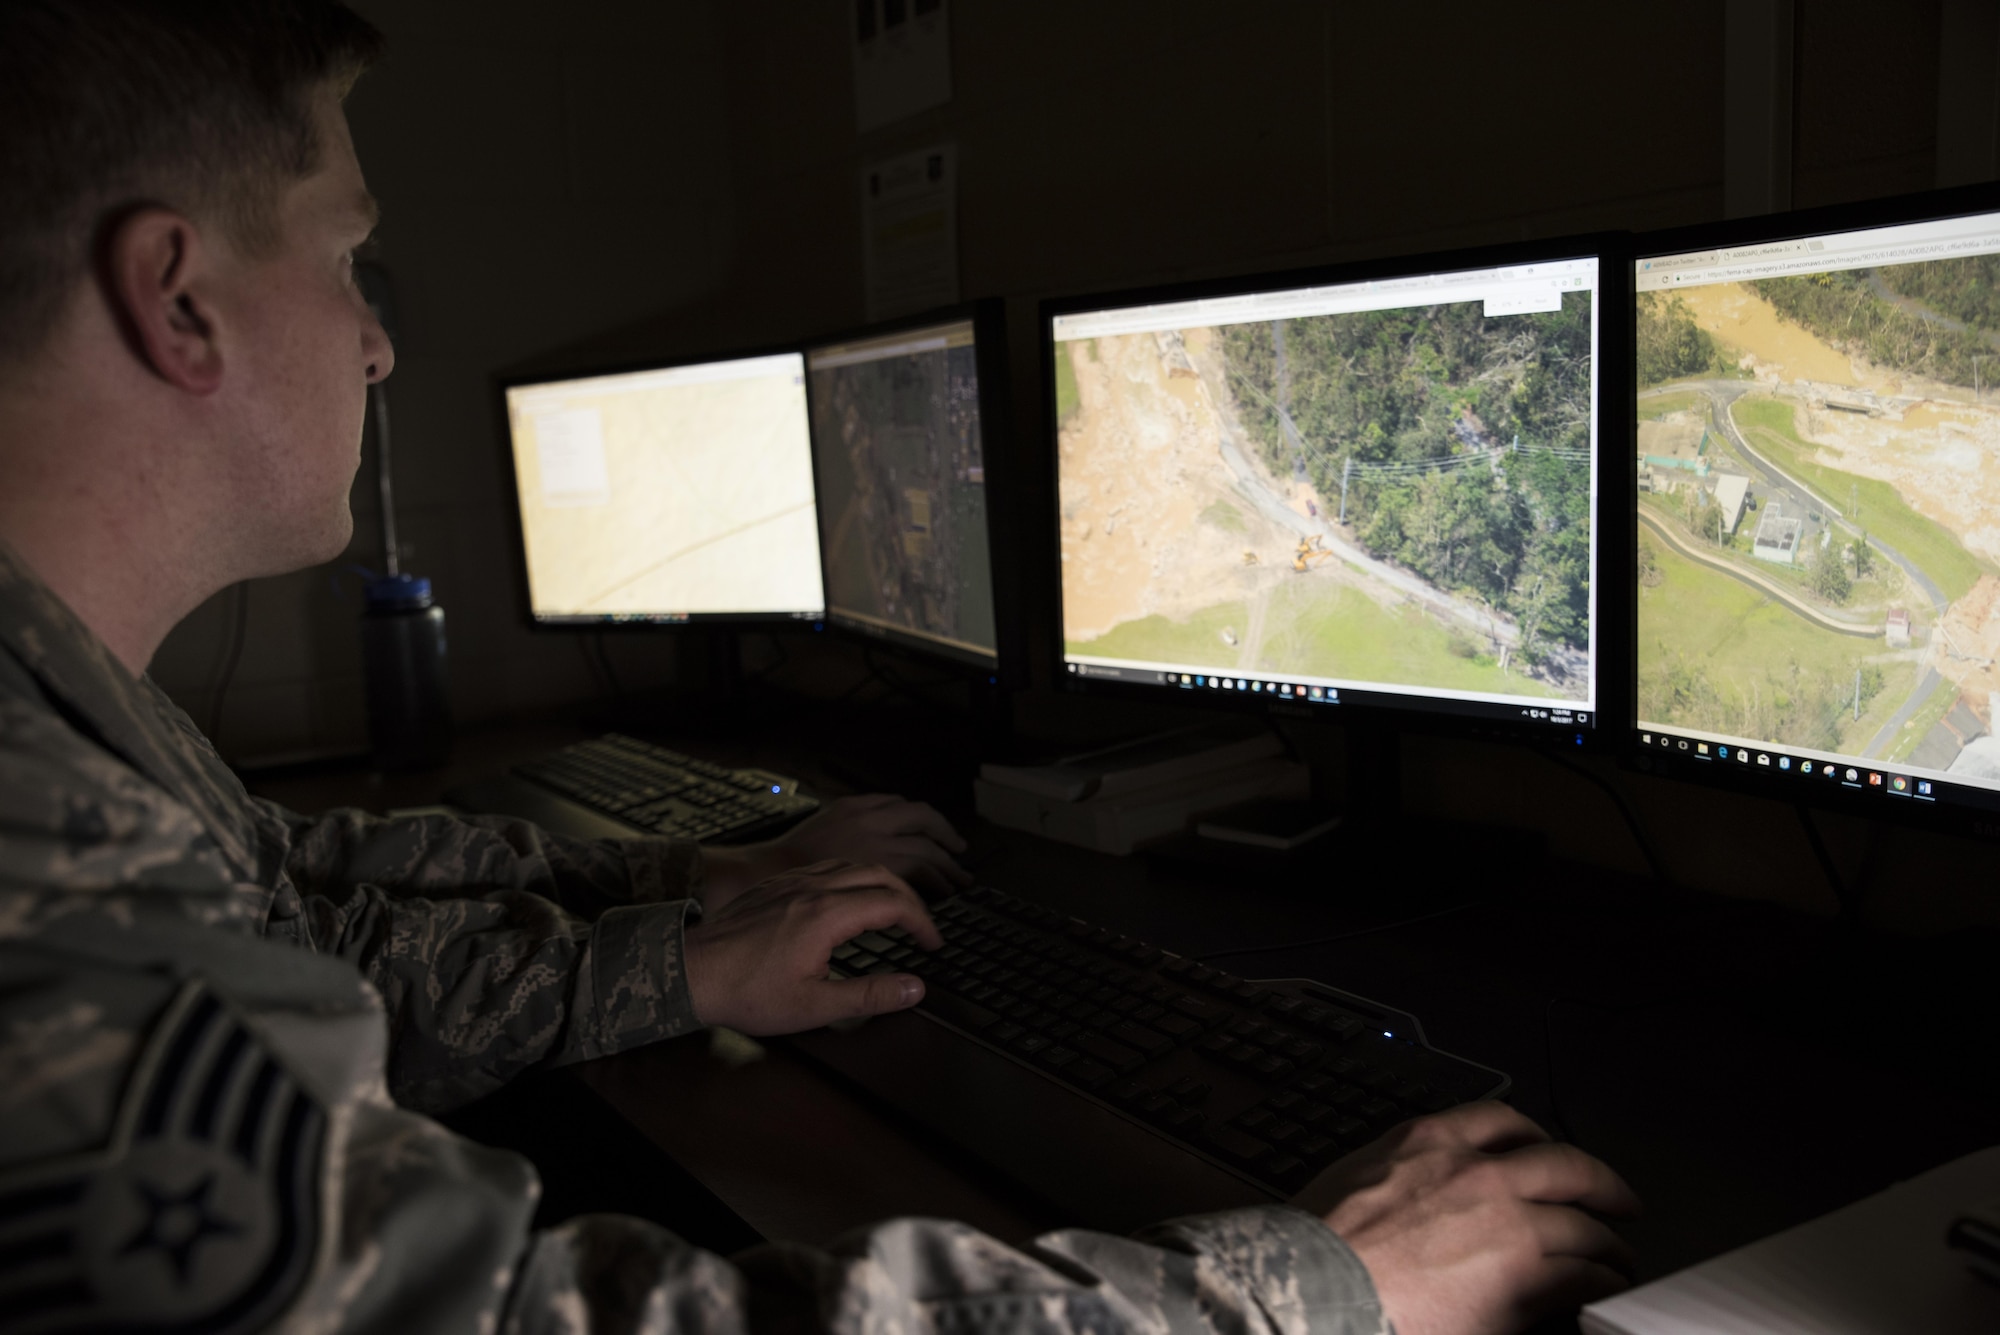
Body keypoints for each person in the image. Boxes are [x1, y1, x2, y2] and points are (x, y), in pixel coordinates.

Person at [0, 4, 1640, 1333]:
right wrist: (1316, 1292)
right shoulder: (34, 842)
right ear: (178, 298)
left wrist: (684, 938)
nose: (378, 339)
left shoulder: (77, 738)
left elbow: (306, 915)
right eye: (347, 256)